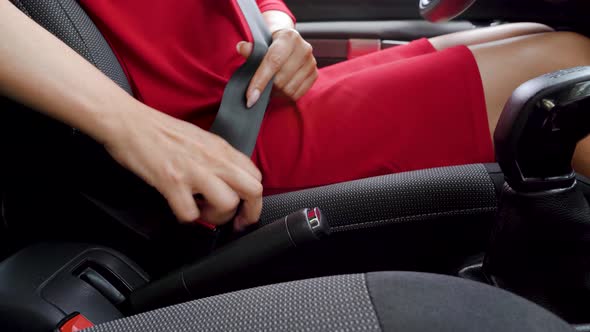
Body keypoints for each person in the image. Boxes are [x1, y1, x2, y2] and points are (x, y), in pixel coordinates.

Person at [1, 0, 590, 233]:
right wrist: (131, 123)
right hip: (219, 136)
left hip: (257, 90)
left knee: (538, 37)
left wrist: (281, 28)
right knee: (564, 71)